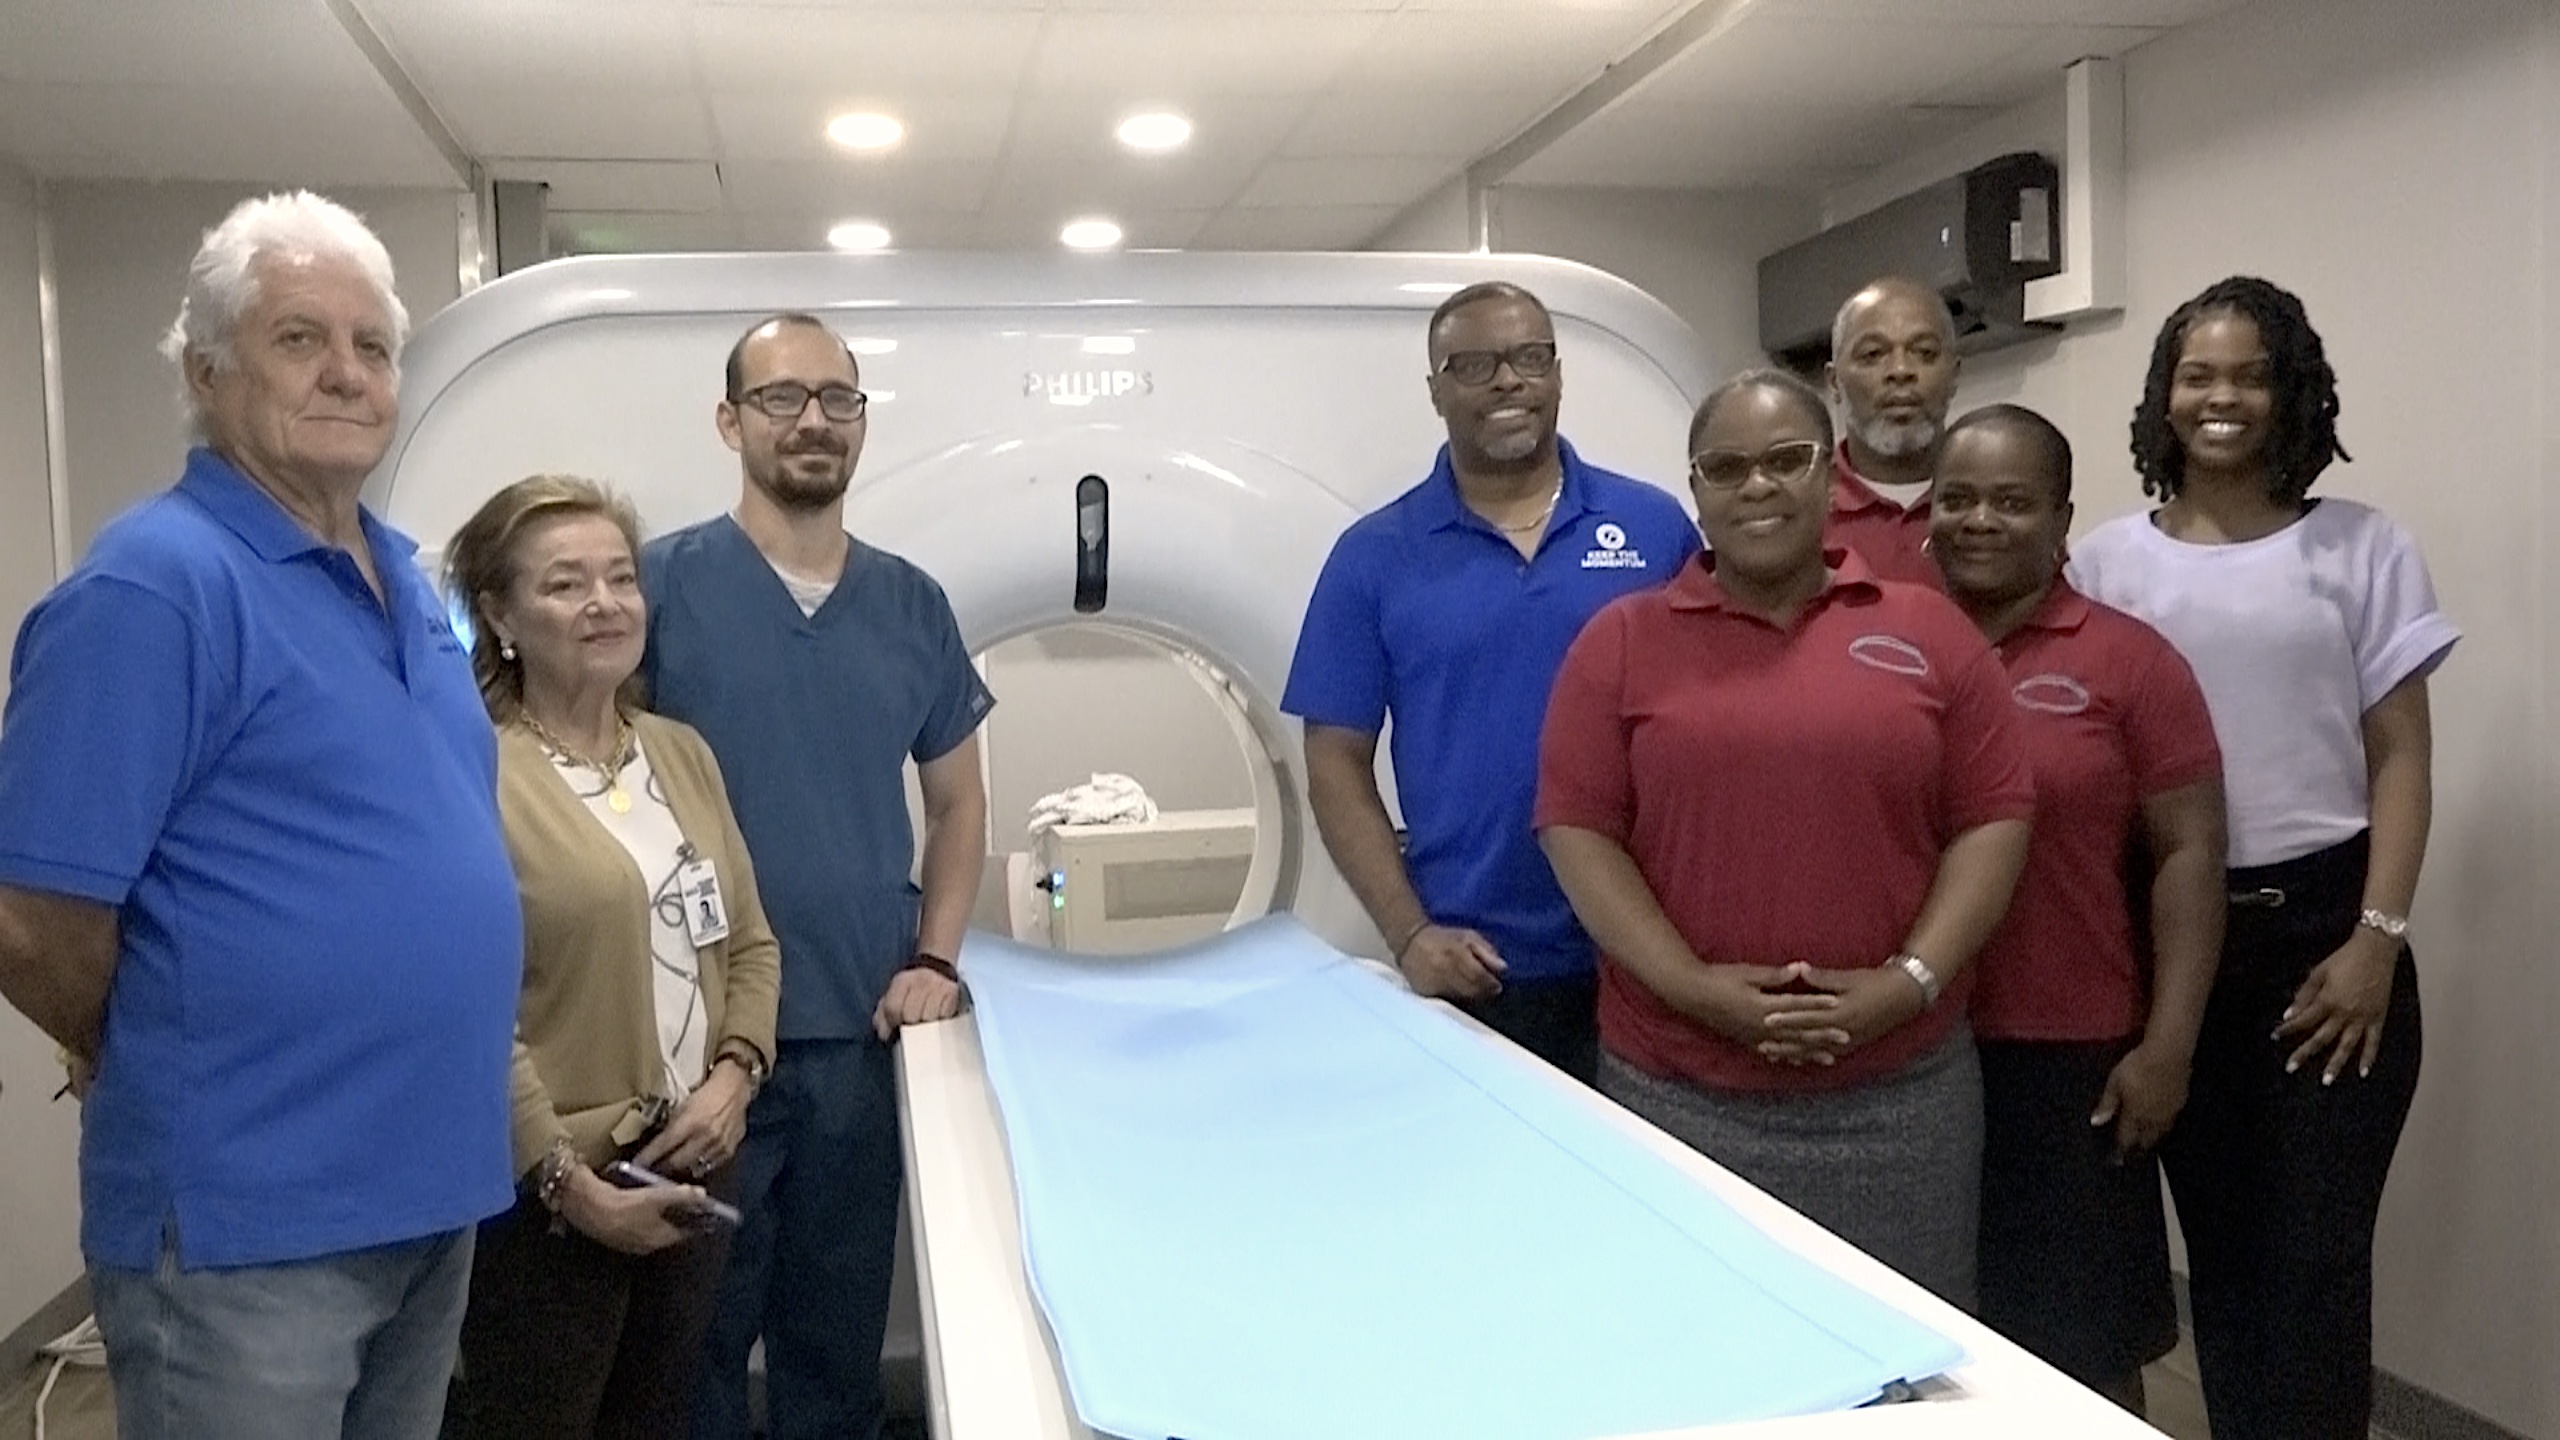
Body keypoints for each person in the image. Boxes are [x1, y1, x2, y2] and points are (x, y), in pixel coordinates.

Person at [0, 191, 521, 1439]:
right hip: (251, 1224)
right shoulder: (157, 587)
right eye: (299, 339)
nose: (345, 372)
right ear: (208, 368)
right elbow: (32, 925)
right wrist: (193, 1049)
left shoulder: (406, 580)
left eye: (372, 345)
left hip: (427, 1195)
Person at [1533, 367, 2031, 1306]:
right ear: (1697, 492)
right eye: (1726, 468)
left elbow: (1993, 818)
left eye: (1785, 460)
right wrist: (1693, 991)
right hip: (1676, 1088)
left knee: (1906, 1363)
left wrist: (1908, 983)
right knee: (1692, 1349)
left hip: (1900, 1095)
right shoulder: (1621, 643)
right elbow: (1577, 829)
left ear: (1827, 478)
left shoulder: (1930, 631)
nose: (1756, 485)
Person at [2068, 277, 2456, 1440]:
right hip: (2166, 947)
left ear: (2292, 392)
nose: (2222, 397)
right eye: (2198, 374)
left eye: (2250, 374)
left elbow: (2399, 761)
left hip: (2327, 948)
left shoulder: (2360, 546)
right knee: (2223, 1264)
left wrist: (2374, 944)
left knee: (2313, 1274)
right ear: (2164, 395)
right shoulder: (2102, 563)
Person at [645, 313, 991, 1440]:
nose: (811, 421)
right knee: (692, 1348)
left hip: (857, 1027)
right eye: (781, 398)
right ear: (728, 420)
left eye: (836, 400)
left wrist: (935, 956)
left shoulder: (910, 605)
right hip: (689, 1042)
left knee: (834, 1350)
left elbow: (955, 805)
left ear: (859, 423)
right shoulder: (654, 589)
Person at [1282, 281, 1700, 1084]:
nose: (1508, 380)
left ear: (1557, 375)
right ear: (1435, 389)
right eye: (1473, 365)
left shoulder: (1652, 529)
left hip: (1653, 951)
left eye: (1528, 357)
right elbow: (1335, 763)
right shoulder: (1374, 557)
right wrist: (1408, 935)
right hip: (1481, 966)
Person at [441, 475, 782, 1439]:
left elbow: (750, 945)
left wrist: (734, 1081)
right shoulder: (476, 771)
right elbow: (473, 1010)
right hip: (550, 1197)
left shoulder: (680, 754)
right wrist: (567, 1183)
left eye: (621, 578)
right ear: (499, 614)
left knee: (655, 1419)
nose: (604, 603)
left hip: (693, 1169)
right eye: (565, 585)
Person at [1927, 405, 2227, 1409]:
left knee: (2079, 1352)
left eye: (2011, 502)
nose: (1978, 520)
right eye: (1957, 497)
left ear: (2061, 520)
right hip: (1907, 1050)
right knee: (1927, 1337)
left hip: (2068, 1055)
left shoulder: (2131, 662)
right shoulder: (1886, 643)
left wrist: (2168, 1046)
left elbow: (2188, 854)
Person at [1824, 276, 1962, 585]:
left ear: (1954, 375)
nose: (1900, 371)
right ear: (1834, 382)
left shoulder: (1993, 506)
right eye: (1873, 354)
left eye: (1924, 352)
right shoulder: (1802, 506)